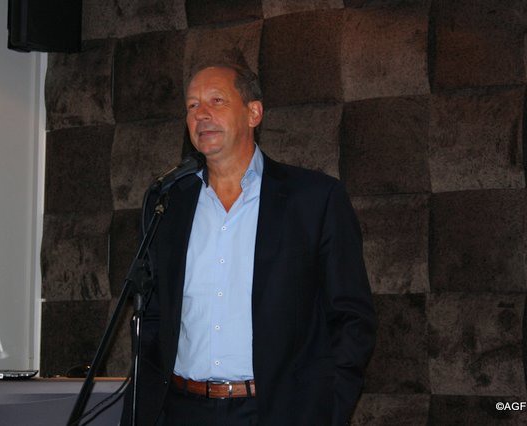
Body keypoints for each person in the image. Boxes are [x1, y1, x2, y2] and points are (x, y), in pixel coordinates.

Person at [121, 60, 377, 426]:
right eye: (192, 105)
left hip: (276, 412)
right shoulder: (168, 204)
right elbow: (152, 317)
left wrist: (327, 411)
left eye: (216, 101)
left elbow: (352, 318)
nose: (201, 114)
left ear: (253, 113)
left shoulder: (314, 199)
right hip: (180, 410)